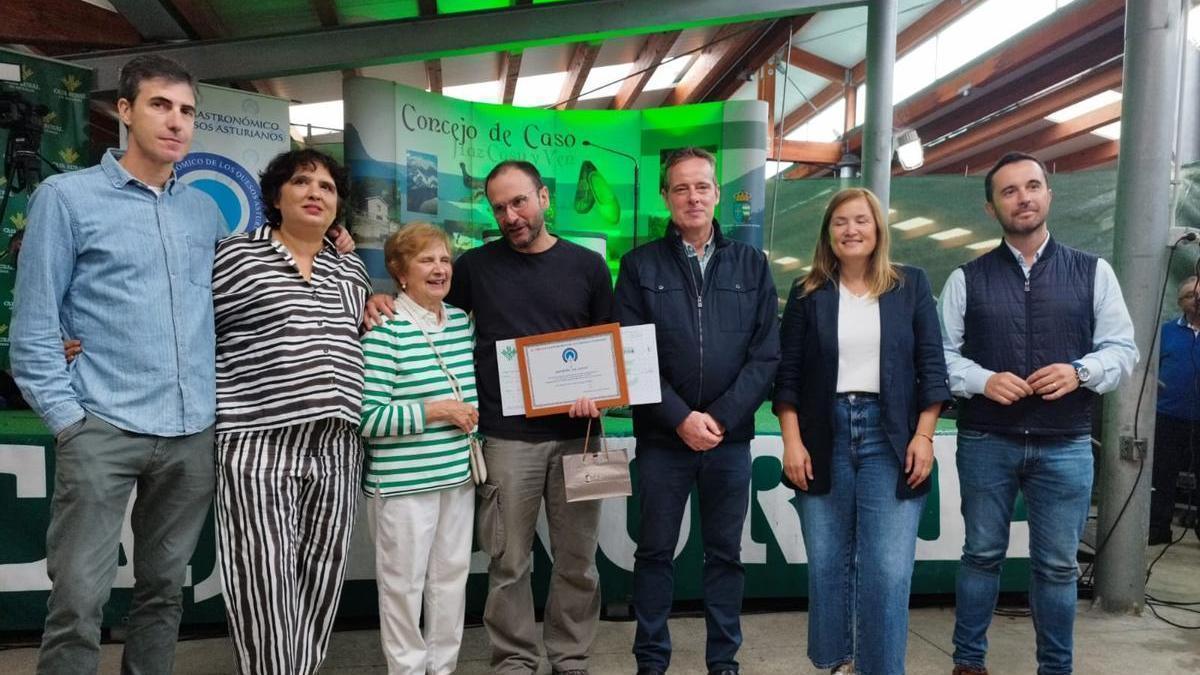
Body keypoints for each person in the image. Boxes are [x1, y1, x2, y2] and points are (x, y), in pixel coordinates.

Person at [10, 55, 224, 675]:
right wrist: (70, 422)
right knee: (78, 599)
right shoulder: (66, 198)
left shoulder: (202, 212)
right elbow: (34, 327)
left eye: (187, 111)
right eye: (161, 105)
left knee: (162, 597)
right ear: (125, 111)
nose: (177, 122)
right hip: (102, 426)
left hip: (190, 434)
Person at [366, 159, 614, 674]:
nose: (511, 215)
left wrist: (601, 395)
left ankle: (570, 656)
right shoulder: (475, 267)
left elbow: (607, 349)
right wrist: (380, 298)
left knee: (578, 561)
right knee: (507, 562)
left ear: (544, 197)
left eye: (519, 201)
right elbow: (425, 306)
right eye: (499, 207)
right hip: (504, 439)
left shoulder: (588, 266)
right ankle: (515, 659)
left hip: (581, 437)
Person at [940, 151, 1138, 675]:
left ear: (1049, 195)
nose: (1023, 197)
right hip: (987, 439)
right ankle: (968, 663)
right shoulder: (966, 278)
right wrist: (982, 380)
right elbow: (940, 356)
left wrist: (1080, 372)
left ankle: (1056, 668)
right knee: (981, 555)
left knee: (1056, 567)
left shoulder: (1094, 272)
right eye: (1009, 191)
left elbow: (1122, 350)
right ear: (991, 208)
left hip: (1066, 442)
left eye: (1032, 186)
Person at [613, 146, 779, 675]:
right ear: (665, 196)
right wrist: (680, 417)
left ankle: (723, 660)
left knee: (725, 556)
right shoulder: (639, 266)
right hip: (665, 439)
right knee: (655, 553)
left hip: (729, 442)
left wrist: (721, 419)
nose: (692, 196)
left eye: (701, 186)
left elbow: (766, 354)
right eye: (680, 187)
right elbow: (631, 354)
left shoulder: (752, 264)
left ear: (717, 193)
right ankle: (651, 660)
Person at [772, 187, 948, 675]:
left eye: (861, 221)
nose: (851, 230)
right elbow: (787, 375)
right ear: (828, 234)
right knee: (829, 566)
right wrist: (792, 440)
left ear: (877, 229)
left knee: (888, 571)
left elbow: (931, 367)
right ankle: (835, 664)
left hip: (889, 437)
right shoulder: (808, 293)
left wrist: (924, 435)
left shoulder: (910, 285)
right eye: (840, 222)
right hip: (821, 434)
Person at [210, 148, 369, 675]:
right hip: (257, 440)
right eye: (302, 182)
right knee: (264, 577)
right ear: (276, 197)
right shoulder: (233, 256)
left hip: (337, 445)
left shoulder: (350, 271)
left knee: (322, 575)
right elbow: (188, 328)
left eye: (327, 186)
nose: (315, 192)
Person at [360, 222, 478, 674]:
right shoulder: (385, 330)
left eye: (445, 260)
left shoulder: (462, 325)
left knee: (450, 582)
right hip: (402, 486)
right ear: (399, 271)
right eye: (426, 260)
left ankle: (442, 667)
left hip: (457, 478)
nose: (439, 269)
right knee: (403, 588)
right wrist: (435, 411)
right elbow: (366, 418)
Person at [1148, 275, 1200, 545]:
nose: (1197, 300)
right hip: (1167, 416)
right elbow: (1149, 368)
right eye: (1192, 295)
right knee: (1161, 476)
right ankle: (1158, 528)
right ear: (1181, 302)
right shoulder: (1166, 332)